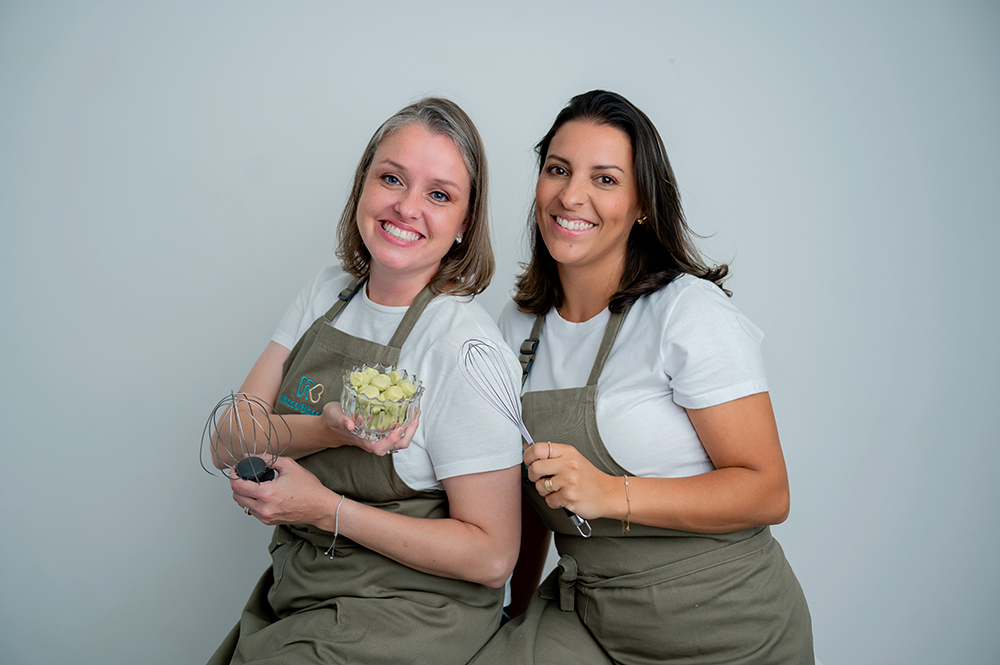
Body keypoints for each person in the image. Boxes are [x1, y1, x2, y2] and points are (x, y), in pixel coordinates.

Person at [470, 90, 813, 664]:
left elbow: (767, 490)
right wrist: (513, 611)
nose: (570, 196)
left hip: (726, 624)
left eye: (605, 179)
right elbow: (529, 496)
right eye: (558, 169)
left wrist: (609, 493)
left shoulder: (687, 312)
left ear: (642, 206)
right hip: (589, 612)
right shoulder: (519, 325)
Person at [207, 98, 523, 665]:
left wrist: (325, 509)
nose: (407, 207)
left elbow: (492, 556)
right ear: (363, 185)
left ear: (464, 224)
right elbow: (228, 441)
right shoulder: (327, 293)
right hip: (299, 592)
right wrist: (327, 431)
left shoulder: (465, 348)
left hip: (410, 613)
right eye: (392, 178)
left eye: (439, 195)